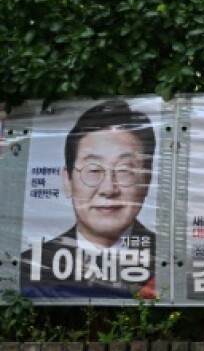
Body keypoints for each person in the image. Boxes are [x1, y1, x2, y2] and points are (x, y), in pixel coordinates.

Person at [20, 100, 157, 299]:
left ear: (147, 180)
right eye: (93, 170)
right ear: (67, 180)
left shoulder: (169, 261)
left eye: (125, 170)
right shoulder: (30, 266)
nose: (109, 189)